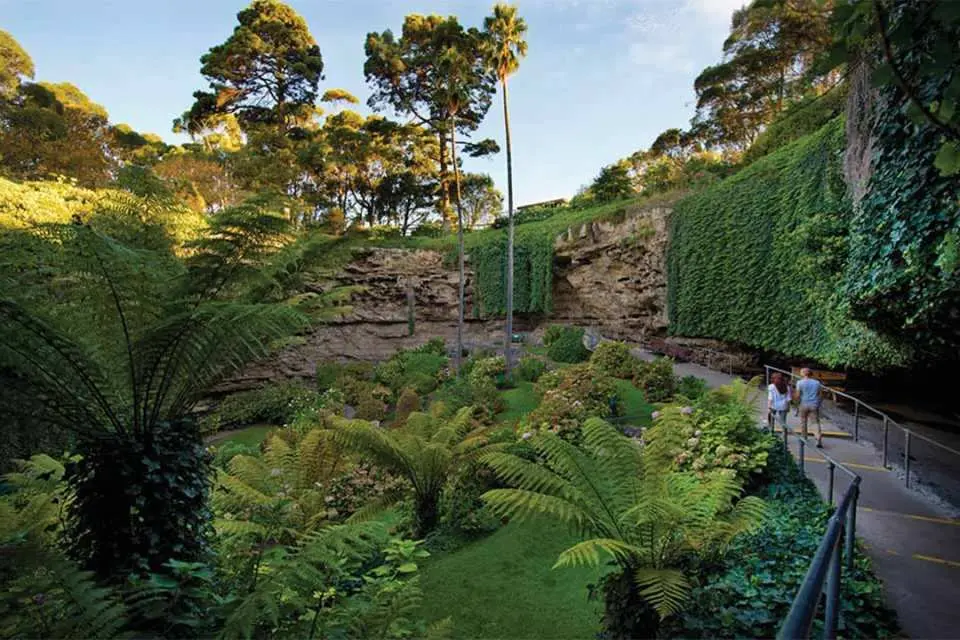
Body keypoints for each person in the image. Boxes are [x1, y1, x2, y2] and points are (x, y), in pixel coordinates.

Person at [796, 367, 824, 447]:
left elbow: (798, 395)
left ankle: (804, 438)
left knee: (803, 421)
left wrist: (796, 402)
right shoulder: (817, 383)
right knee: (815, 422)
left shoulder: (799, 383)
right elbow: (821, 395)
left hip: (804, 403)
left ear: (804, 373)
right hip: (814, 404)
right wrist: (818, 403)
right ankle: (818, 438)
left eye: (801, 372)